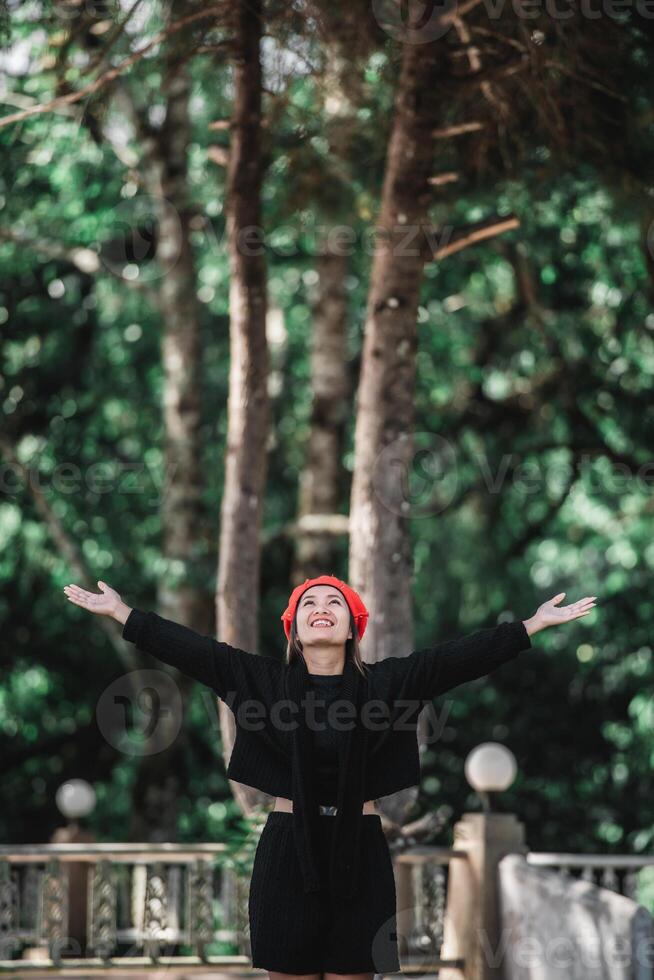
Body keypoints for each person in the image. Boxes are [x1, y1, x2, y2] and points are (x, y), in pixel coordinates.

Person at [63, 575, 596, 980]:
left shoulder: (386, 684)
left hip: (361, 851)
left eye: (334, 602)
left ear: (353, 625)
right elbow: (195, 650)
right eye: (309, 604)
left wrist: (530, 626)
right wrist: (123, 614)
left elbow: (454, 660)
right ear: (294, 627)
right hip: (285, 852)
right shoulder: (262, 681)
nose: (322, 610)